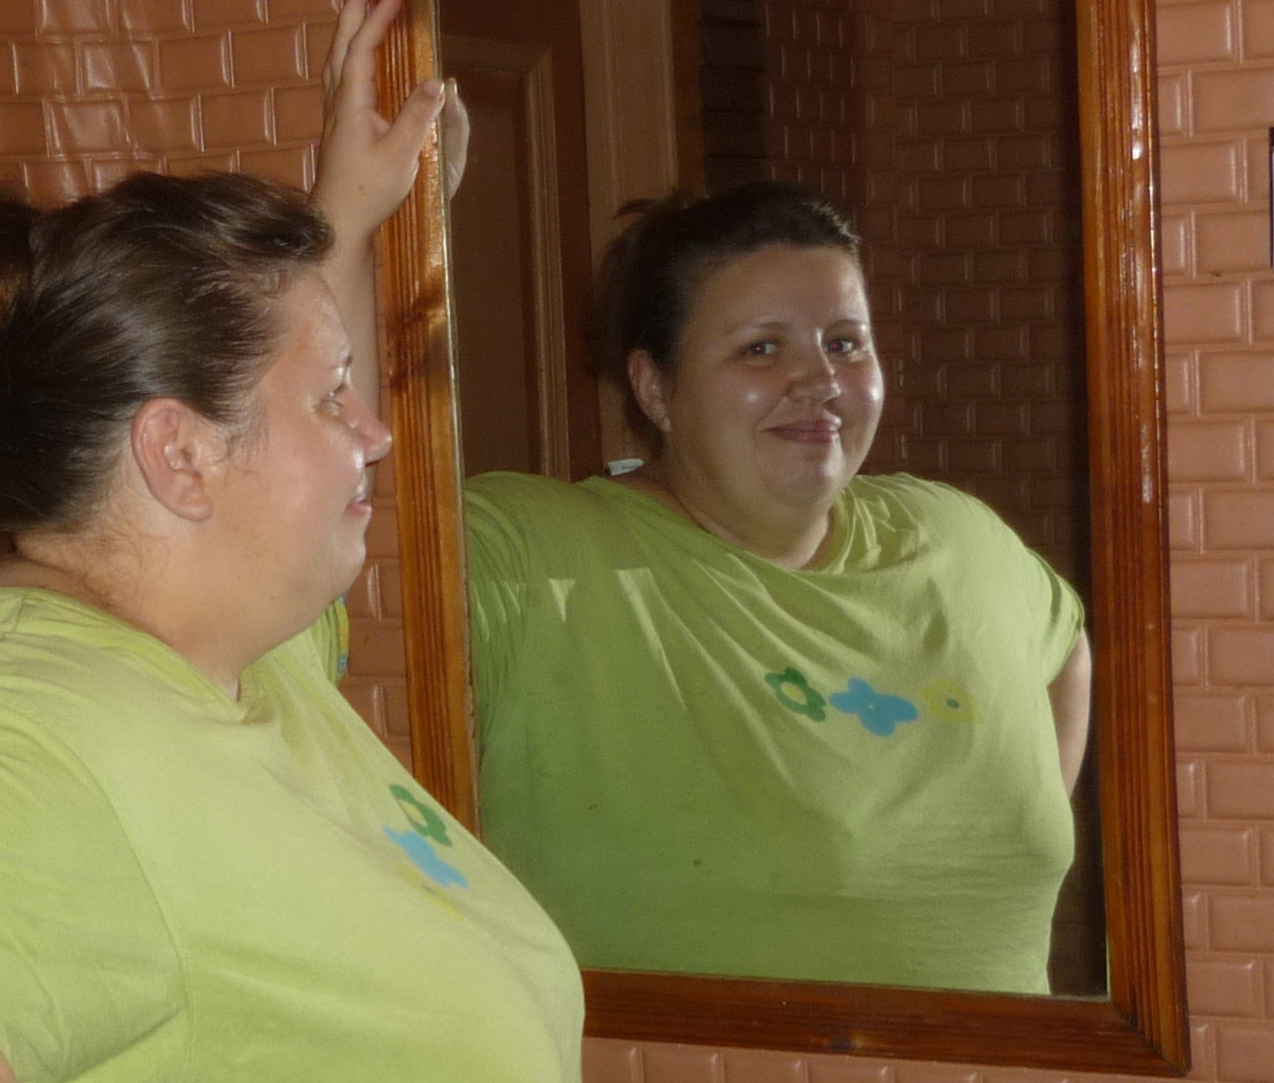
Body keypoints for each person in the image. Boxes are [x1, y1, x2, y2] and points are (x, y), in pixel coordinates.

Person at [0, 0, 595, 1083]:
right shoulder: (22, 730)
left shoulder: (226, 655)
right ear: (179, 455)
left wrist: (348, 217)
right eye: (331, 399)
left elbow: (280, 453)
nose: (374, 432)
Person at [453, 181, 1093, 995]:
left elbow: (1066, 648)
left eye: (845, 343)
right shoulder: (527, 553)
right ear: (655, 388)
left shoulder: (957, 539)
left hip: (1003, 1080)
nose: (819, 379)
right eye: (761, 349)